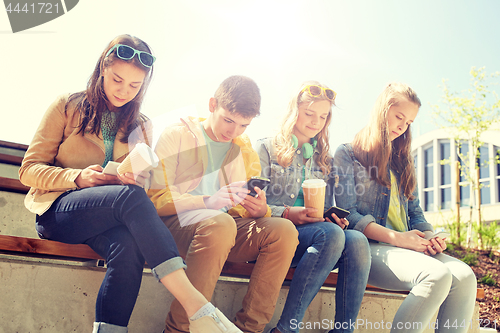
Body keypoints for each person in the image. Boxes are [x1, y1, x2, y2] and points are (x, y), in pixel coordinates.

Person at [19, 35, 241, 333]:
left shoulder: (141, 125)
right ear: (102, 70)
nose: (124, 91)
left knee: (129, 244)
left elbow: (146, 191)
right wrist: (77, 177)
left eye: (135, 86)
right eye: (117, 80)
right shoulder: (66, 106)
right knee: (128, 200)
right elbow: (29, 169)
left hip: (108, 218)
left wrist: (138, 179)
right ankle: (197, 307)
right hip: (59, 211)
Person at [148, 75, 299, 333]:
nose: (234, 131)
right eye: (228, 120)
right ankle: (178, 331)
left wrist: (259, 209)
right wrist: (208, 200)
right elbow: (156, 199)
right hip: (176, 224)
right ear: (212, 104)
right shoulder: (177, 134)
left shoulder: (243, 147)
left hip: (224, 228)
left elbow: (240, 206)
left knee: (284, 231)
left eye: (243, 125)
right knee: (220, 223)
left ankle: (249, 329)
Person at [333, 82, 477, 333]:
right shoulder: (348, 153)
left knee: (465, 277)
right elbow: (350, 216)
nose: (402, 126)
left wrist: (431, 237)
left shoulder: (403, 161)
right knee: (436, 275)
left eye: (409, 122)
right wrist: (399, 239)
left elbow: (415, 214)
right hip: (370, 250)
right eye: (399, 116)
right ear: (382, 110)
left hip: (409, 248)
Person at [255, 81, 371, 333]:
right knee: (329, 234)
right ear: (293, 111)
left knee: (356, 240)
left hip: (316, 239)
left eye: (323, 116)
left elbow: (325, 208)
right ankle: (286, 328)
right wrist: (288, 213)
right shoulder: (266, 147)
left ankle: (343, 330)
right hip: (277, 235)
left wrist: (331, 217)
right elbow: (254, 205)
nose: (316, 121)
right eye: (309, 114)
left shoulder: (324, 160)